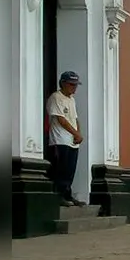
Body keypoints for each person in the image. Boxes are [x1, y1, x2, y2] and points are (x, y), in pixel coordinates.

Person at [46, 71, 85, 207]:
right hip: (60, 140)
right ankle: (58, 196)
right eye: (71, 84)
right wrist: (75, 133)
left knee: (70, 170)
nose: (74, 88)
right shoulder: (56, 97)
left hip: (72, 141)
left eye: (75, 85)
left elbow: (75, 118)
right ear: (63, 83)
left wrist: (78, 133)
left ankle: (67, 195)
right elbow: (61, 119)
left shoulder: (71, 100)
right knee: (60, 169)